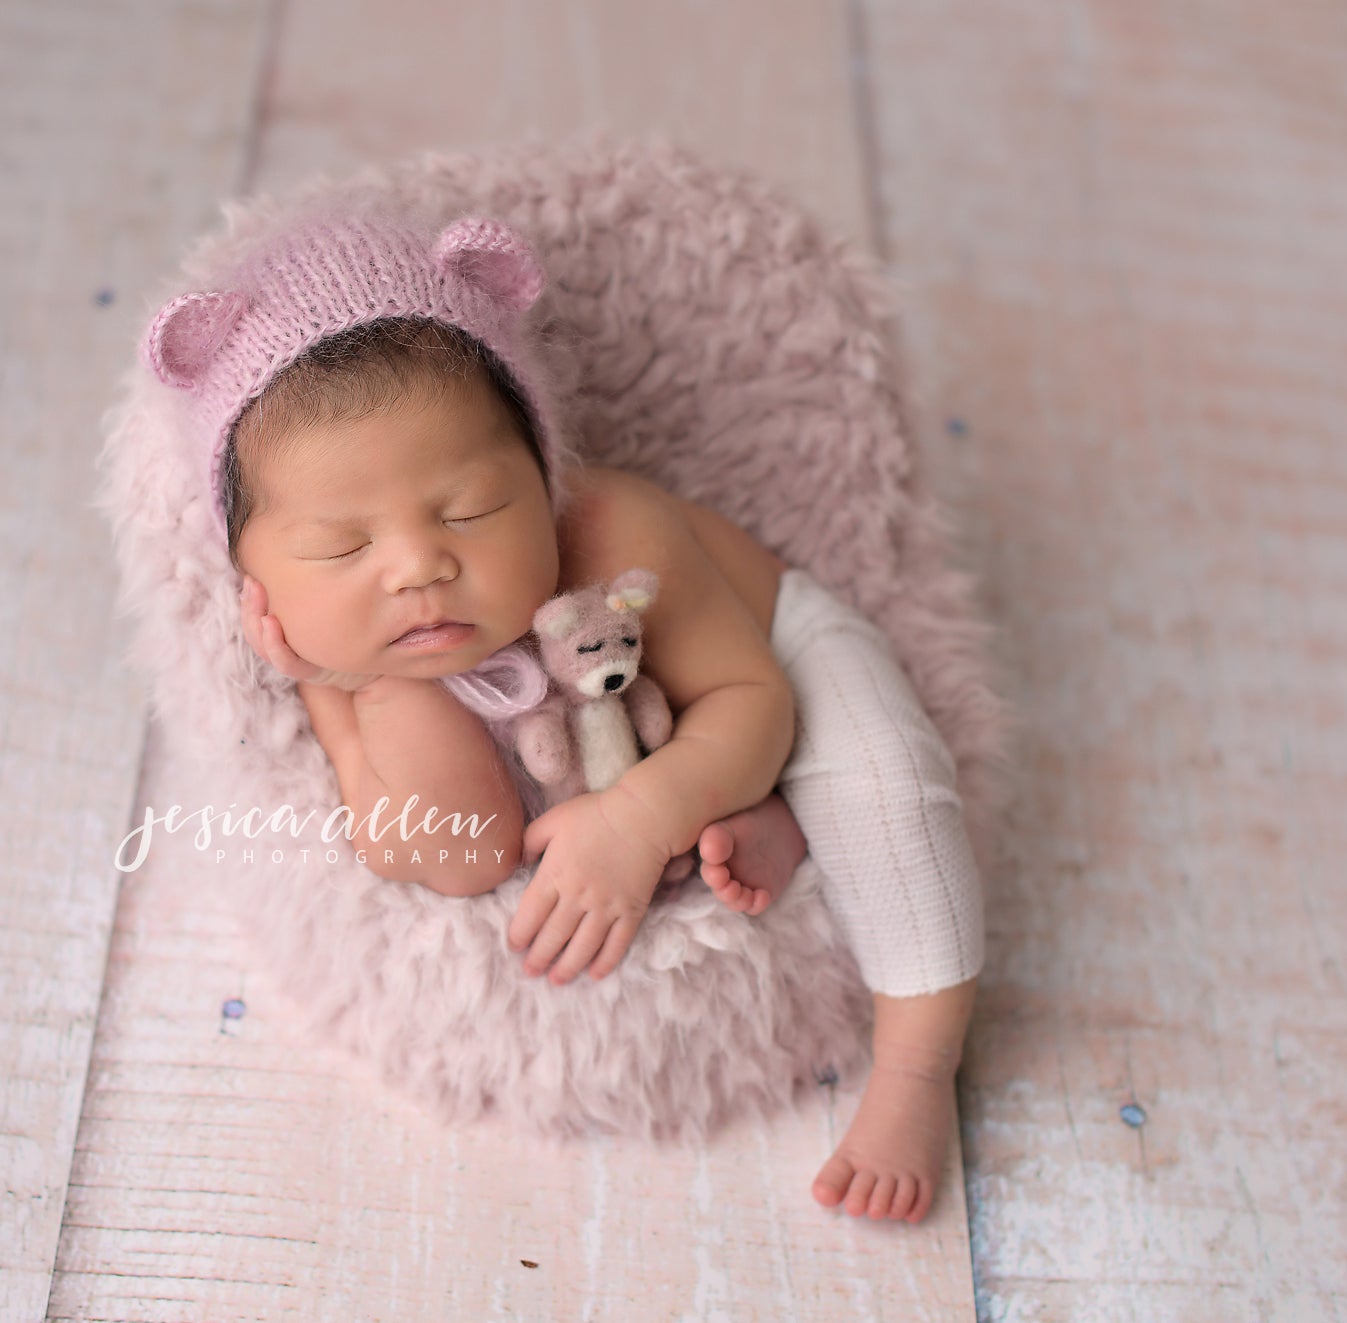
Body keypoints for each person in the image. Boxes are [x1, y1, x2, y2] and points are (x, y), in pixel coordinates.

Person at [142, 201, 985, 1224]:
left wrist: (636, 821)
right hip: (603, 736)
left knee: (889, 789)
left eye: (467, 511)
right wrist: (359, 681)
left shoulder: (614, 535)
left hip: (761, 658)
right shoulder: (339, 666)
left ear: (541, 482)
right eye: (339, 548)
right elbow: (462, 851)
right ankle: (763, 823)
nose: (419, 567)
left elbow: (752, 700)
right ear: (256, 579)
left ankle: (915, 1072)